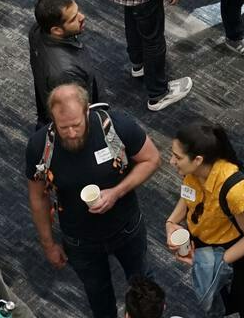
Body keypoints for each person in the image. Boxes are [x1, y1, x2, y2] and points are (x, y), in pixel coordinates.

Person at [24, 84, 161, 318]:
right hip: (80, 241)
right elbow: (38, 197)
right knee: (98, 294)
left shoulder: (115, 126)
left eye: (76, 125)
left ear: (87, 110)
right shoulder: (40, 146)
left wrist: (117, 191)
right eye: (63, 127)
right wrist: (48, 244)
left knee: (142, 285)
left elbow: (152, 159)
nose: (71, 133)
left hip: (127, 228)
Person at [162, 123, 244, 318]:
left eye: (178, 157)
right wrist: (171, 223)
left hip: (237, 255)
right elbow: (188, 196)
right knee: (222, 301)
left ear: (198, 159)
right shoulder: (192, 172)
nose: (171, 161)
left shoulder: (234, 190)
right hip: (206, 245)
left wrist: (213, 264)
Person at [29, 0, 101, 128]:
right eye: (73, 19)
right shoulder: (66, 73)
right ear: (56, 30)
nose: (82, 17)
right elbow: (77, 113)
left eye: (78, 10)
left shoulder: (37, 29)